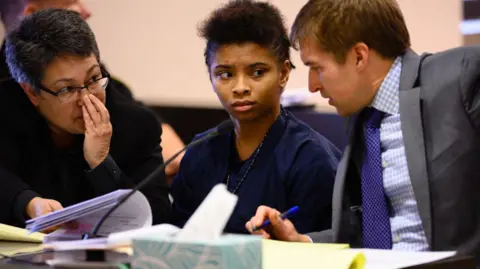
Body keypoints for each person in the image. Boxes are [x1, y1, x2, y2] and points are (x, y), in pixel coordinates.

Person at [246, 0, 480, 259]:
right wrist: (302, 241)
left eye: (317, 68)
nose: (312, 85)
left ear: (359, 56)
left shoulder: (463, 76)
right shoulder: (363, 117)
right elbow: (372, 232)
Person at [170, 0, 341, 234]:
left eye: (257, 72)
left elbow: (325, 249)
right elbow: (175, 238)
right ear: (210, 76)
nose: (240, 87)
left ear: (283, 73)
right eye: (225, 74)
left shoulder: (312, 159)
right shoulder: (198, 152)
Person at [0, 8, 170, 229]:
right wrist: (26, 202)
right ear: (32, 93)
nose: (87, 98)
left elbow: (156, 219)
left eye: (93, 78)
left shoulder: (136, 125)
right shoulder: (6, 110)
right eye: (67, 89)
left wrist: (101, 164)